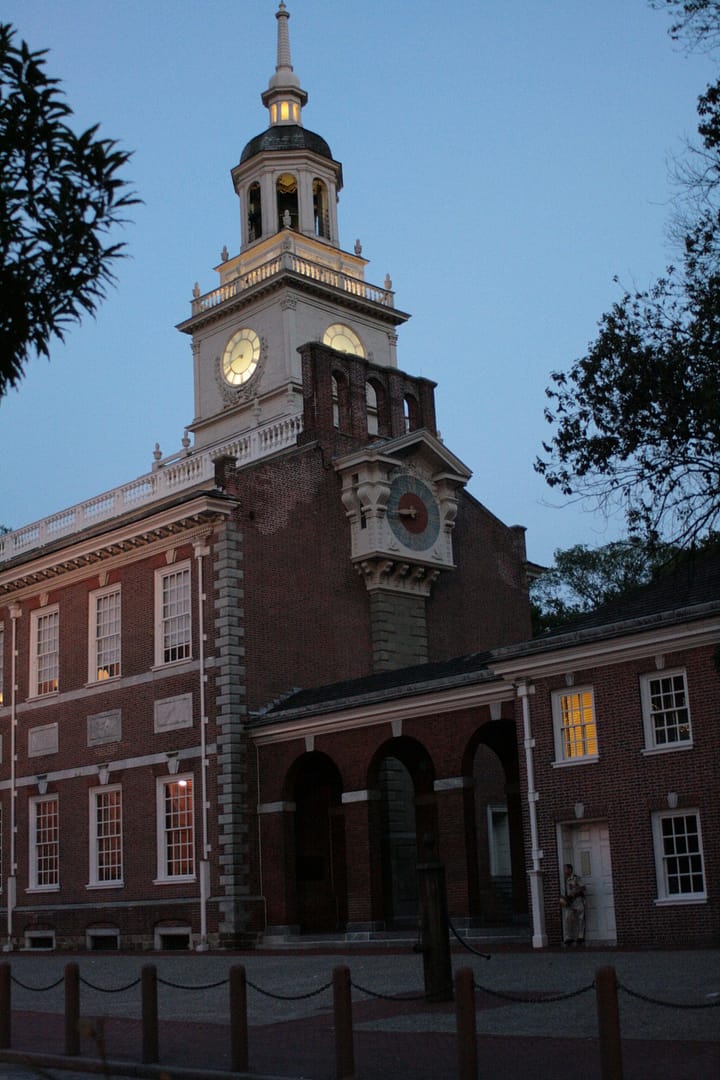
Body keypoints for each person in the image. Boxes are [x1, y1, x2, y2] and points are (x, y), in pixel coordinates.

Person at [560, 863, 585, 945]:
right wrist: (562, 900)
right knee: (567, 919)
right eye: (564, 869)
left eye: (566, 869)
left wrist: (575, 893)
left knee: (580, 919)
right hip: (568, 902)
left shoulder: (576, 878)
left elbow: (583, 887)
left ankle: (580, 937)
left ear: (570, 870)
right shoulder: (562, 880)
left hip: (577, 900)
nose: (564, 871)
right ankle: (568, 937)